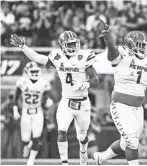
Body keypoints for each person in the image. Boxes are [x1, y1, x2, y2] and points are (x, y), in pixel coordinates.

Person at [10, 31, 99, 165]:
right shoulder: (58, 57)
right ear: (62, 46)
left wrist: (85, 84)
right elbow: (38, 57)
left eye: (74, 44)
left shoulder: (83, 56)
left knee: (82, 136)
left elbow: (95, 79)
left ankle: (83, 154)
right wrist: (24, 47)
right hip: (66, 101)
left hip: (83, 102)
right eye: (69, 44)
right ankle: (64, 163)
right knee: (61, 131)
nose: (73, 47)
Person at [92, 19, 147, 165]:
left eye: (144, 46)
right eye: (139, 46)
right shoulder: (122, 54)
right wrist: (107, 36)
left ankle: (101, 158)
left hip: (138, 109)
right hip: (121, 105)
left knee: (126, 143)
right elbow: (112, 50)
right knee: (131, 140)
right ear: (129, 46)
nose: (142, 49)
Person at [12, 62, 51, 164]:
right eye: (31, 71)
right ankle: (27, 144)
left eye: (35, 71)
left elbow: (45, 99)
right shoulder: (22, 82)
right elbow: (15, 98)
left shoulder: (43, 83)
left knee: (37, 136)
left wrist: (47, 102)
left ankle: (31, 160)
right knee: (25, 139)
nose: (34, 73)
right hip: (25, 112)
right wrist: (15, 111)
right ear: (26, 71)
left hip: (38, 112)